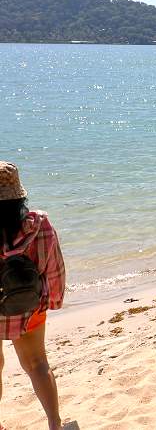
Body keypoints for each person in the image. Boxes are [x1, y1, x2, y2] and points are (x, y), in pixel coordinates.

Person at [0, 162, 66, 430]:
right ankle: (54, 424)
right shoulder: (40, 224)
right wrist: (53, 301)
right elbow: (55, 269)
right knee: (38, 363)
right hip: (31, 307)